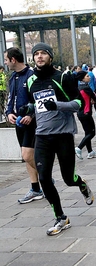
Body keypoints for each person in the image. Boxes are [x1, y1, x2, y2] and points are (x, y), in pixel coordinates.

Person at [23, 42, 94, 235]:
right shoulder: (31, 81)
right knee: (44, 178)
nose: (39, 57)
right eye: (36, 54)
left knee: (68, 178)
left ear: (50, 57)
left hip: (63, 135)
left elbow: (78, 103)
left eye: (43, 53)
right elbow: (33, 103)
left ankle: (81, 184)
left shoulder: (62, 77)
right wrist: (27, 110)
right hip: (42, 136)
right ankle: (61, 218)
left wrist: (58, 106)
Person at [4, 47, 43, 204]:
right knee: (26, 156)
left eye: (6, 60)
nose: (5, 63)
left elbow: (38, 99)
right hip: (18, 123)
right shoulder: (13, 77)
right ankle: (35, 189)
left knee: (27, 155)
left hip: (32, 123)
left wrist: (30, 115)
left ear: (13, 60)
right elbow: (10, 99)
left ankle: (46, 177)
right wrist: (8, 113)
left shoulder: (32, 75)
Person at [75, 70, 96, 160]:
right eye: (87, 76)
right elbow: (95, 98)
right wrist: (93, 98)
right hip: (86, 112)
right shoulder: (86, 87)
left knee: (87, 132)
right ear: (82, 78)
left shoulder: (78, 87)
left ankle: (90, 152)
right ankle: (79, 148)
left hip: (80, 113)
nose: (89, 77)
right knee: (92, 132)